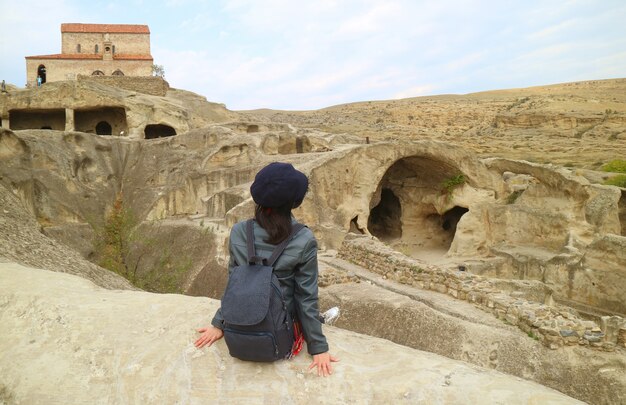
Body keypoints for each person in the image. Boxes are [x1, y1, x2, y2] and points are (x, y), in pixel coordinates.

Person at [195, 162, 339, 376]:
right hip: (280, 334)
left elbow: (236, 282)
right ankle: (321, 320)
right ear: (293, 202)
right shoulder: (304, 239)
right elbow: (305, 297)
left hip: (238, 327)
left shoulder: (239, 231)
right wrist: (318, 347)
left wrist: (219, 324)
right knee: (306, 309)